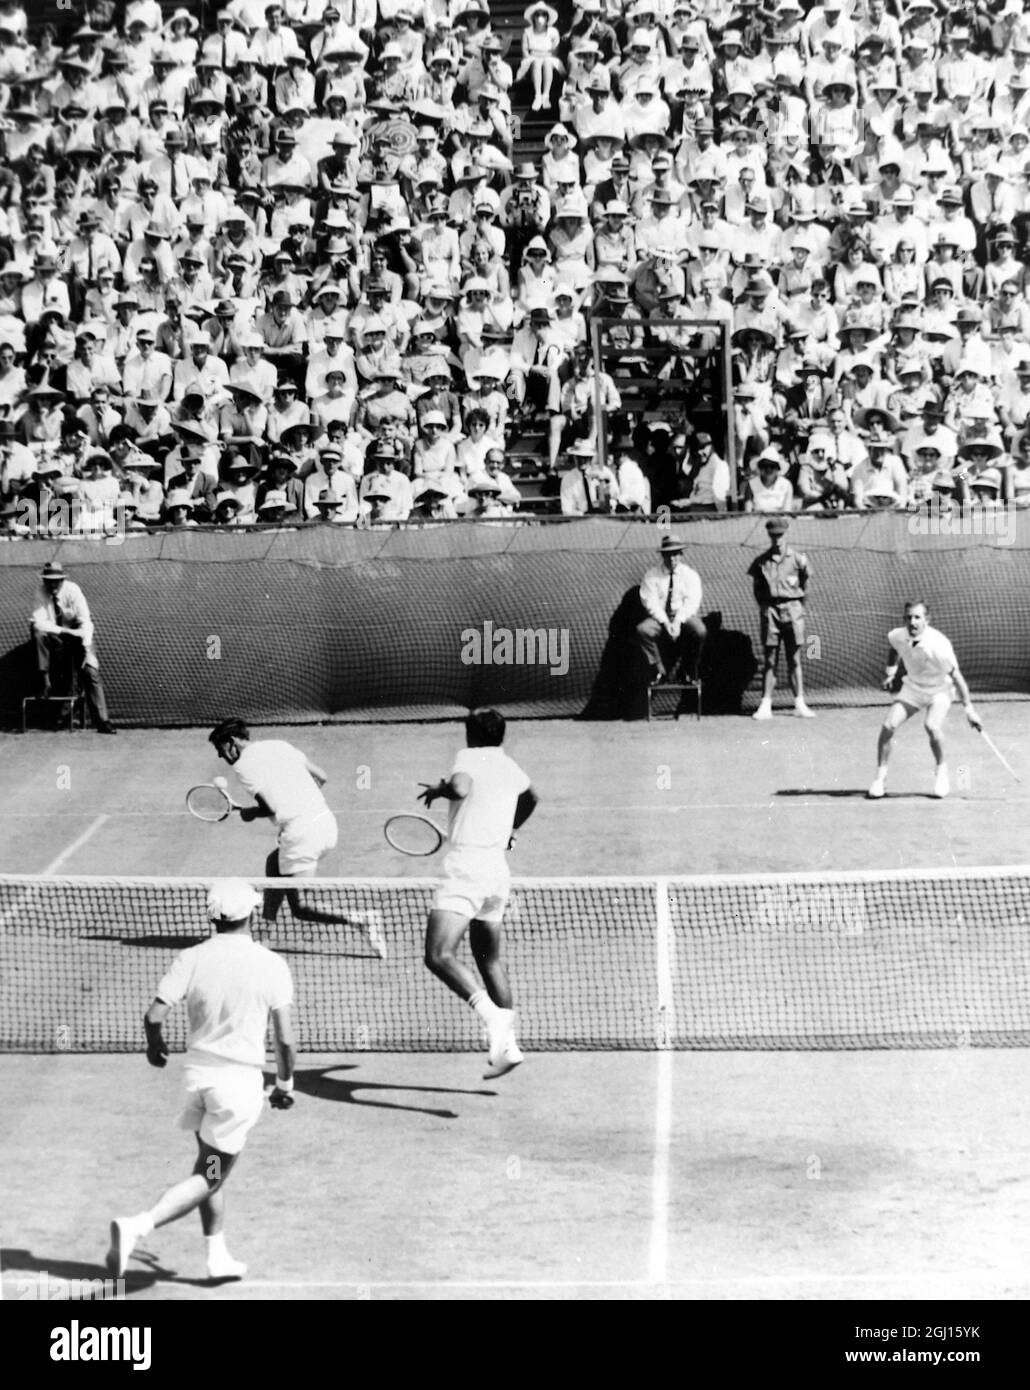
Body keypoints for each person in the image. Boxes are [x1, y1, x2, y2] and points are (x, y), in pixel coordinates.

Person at [106, 878, 295, 1283]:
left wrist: (155, 1048)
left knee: (209, 1165)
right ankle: (138, 1225)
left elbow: (154, 1017)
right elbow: (284, 1039)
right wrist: (284, 1086)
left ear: (213, 916)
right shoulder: (272, 964)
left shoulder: (191, 957)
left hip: (197, 1080)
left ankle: (217, 1255)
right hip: (237, 1088)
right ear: (252, 913)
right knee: (210, 1174)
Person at [419, 708, 538, 1079]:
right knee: (489, 960)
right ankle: (509, 1048)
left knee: (438, 955)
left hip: (466, 870)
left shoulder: (469, 757)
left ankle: (493, 1017)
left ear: (470, 736)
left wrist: (440, 789)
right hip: (496, 871)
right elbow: (532, 797)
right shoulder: (509, 765)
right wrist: (510, 830)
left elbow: (460, 787)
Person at [208, 718, 385, 956]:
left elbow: (269, 808)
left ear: (231, 742)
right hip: (324, 822)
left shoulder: (243, 766)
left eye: (220, 749)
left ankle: (362, 919)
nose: (221, 757)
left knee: (301, 906)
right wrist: (298, 802)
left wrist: (250, 813)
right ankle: (262, 935)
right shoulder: (280, 745)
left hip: (301, 834)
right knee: (275, 865)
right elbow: (322, 776)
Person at [868, 601, 982, 801]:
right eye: (909, 617)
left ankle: (941, 773)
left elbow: (958, 678)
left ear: (926, 620)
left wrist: (969, 710)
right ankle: (879, 779)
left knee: (931, 726)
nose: (912, 622)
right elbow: (894, 649)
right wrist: (891, 673)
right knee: (888, 725)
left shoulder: (938, 646)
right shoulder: (898, 635)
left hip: (940, 691)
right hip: (912, 688)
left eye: (917, 617)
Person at [29, 560, 116, 733]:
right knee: (38, 633)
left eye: (57, 580)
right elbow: (38, 623)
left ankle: (102, 721)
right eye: (48, 580)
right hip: (57, 637)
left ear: (62, 580)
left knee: (91, 671)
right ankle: (44, 680)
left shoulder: (73, 590)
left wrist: (86, 649)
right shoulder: (39, 592)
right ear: (44, 580)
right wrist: (63, 631)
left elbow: (86, 622)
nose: (52, 584)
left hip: (79, 636)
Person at [748, 518, 815, 721]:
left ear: (786, 534)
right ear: (769, 536)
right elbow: (757, 588)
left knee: (794, 659)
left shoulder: (798, 559)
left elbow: (806, 584)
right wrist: (766, 607)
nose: (777, 539)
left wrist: (798, 608)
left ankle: (800, 703)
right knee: (770, 660)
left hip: (793, 610)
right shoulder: (761, 561)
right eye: (773, 535)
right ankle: (766, 704)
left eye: (780, 535)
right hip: (771, 612)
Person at [635, 535, 706, 686]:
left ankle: (688, 672)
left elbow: (692, 602)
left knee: (699, 630)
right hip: (660, 617)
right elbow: (650, 602)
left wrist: (678, 621)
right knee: (643, 630)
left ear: (681, 555)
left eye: (675, 554)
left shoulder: (690, 575)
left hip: (683, 616)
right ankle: (659, 671)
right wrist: (666, 623)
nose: (672, 558)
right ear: (662, 555)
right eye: (668, 554)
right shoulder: (651, 575)